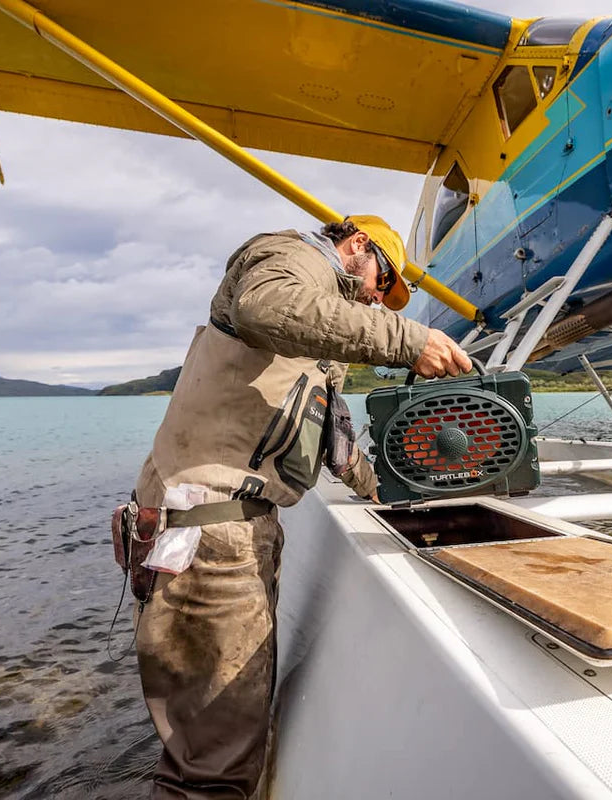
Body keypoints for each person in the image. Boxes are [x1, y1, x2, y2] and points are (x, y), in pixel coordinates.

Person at [129, 215, 472, 798]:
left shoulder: (315, 342)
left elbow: (334, 442)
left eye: (388, 299)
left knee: (215, 741)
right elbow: (265, 307)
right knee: (213, 767)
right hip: (207, 529)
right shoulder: (292, 258)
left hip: (227, 528)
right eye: (382, 282)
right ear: (357, 244)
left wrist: (382, 491)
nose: (377, 299)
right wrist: (409, 340)